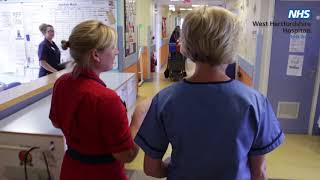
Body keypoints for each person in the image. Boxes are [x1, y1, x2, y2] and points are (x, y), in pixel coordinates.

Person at [135, 7, 284, 180]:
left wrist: (171, 167)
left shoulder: (165, 100)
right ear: (232, 45)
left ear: (185, 46)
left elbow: (151, 168)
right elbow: (259, 172)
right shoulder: (255, 102)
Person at [49, 20, 141, 180]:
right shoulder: (106, 99)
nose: (117, 52)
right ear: (95, 55)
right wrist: (137, 120)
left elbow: (56, 122)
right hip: (103, 173)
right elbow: (127, 155)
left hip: (71, 170)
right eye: (112, 47)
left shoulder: (62, 83)